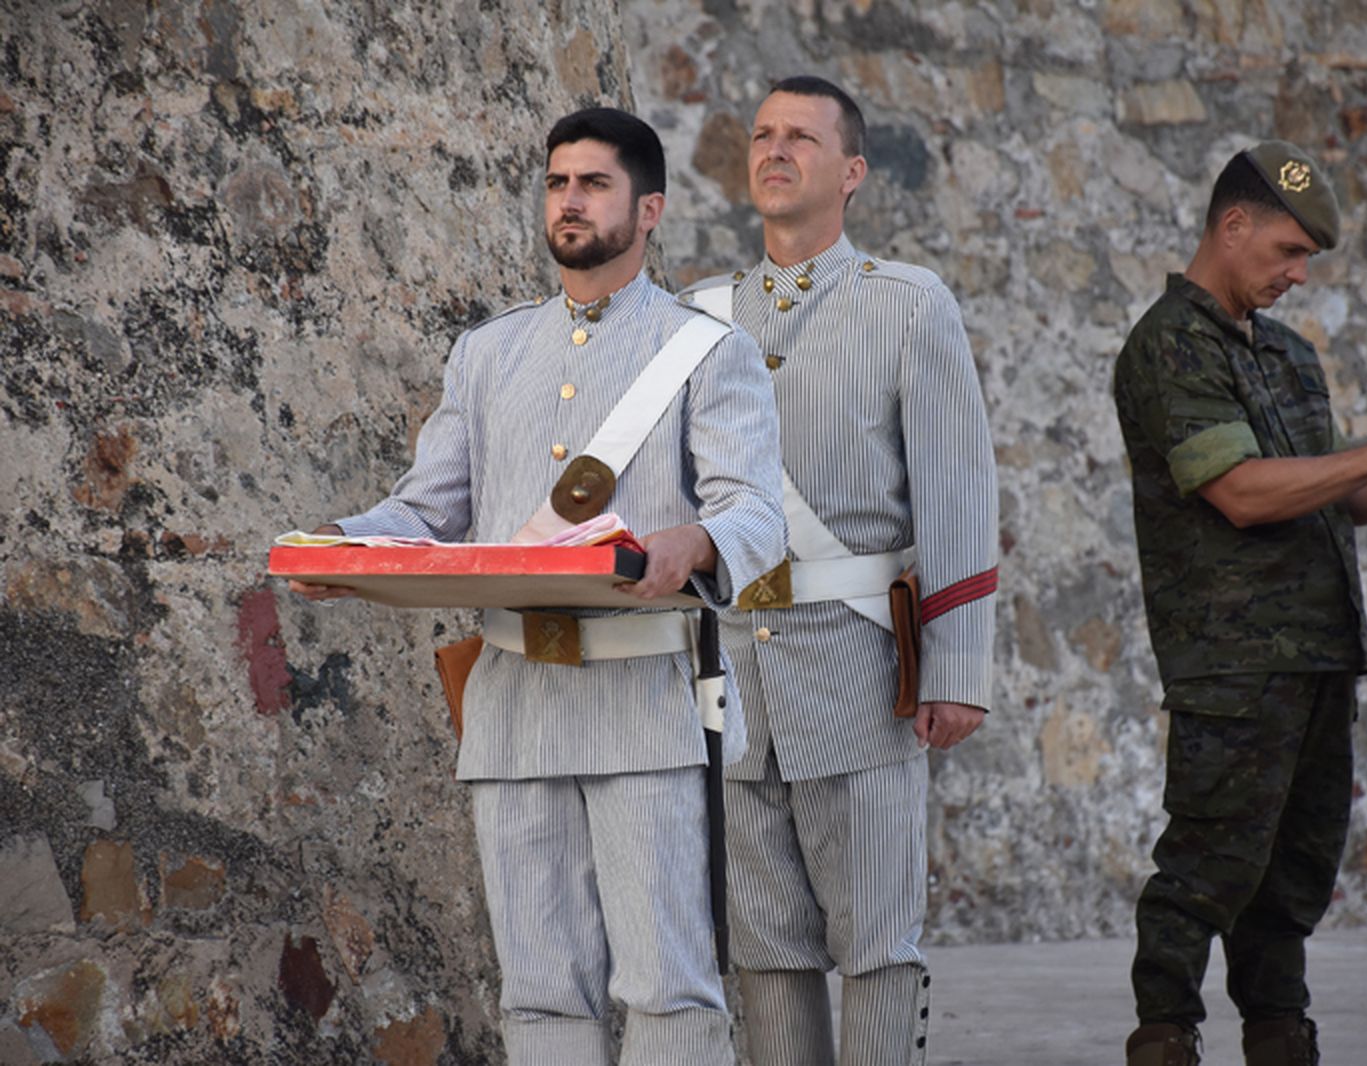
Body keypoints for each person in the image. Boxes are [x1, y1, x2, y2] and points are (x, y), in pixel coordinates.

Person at [289, 108, 785, 1066]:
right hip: (512, 703)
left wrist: (697, 538)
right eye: (558, 182)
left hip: (643, 699)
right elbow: (428, 508)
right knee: (540, 995)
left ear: (650, 210)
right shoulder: (487, 353)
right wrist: (340, 547)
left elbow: (757, 515)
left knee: (668, 989)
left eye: (594, 184)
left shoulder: (705, 350)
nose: (569, 201)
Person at [1112, 141, 1367, 1066]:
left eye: (1308, 259)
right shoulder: (1170, 345)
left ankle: (1280, 1034)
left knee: (1292, 880)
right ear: (1231, 225)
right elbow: (1239, 491)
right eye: (1286, 251)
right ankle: (1165, 1034)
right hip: (1234, 664)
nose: (1297, 273)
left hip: (1317, 652)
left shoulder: (1286, 354)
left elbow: (1343, 498)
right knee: (1207, 868)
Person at [683, 76, 999, 1065]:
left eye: (803, 138)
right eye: (762, 134)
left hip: (862, 673)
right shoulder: (694, 318)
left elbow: (955, 488)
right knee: (762, 946)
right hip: (735, 678)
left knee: (873, 944)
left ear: (851, 171)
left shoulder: (907, 305)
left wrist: (956, 669)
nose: (775, 150)